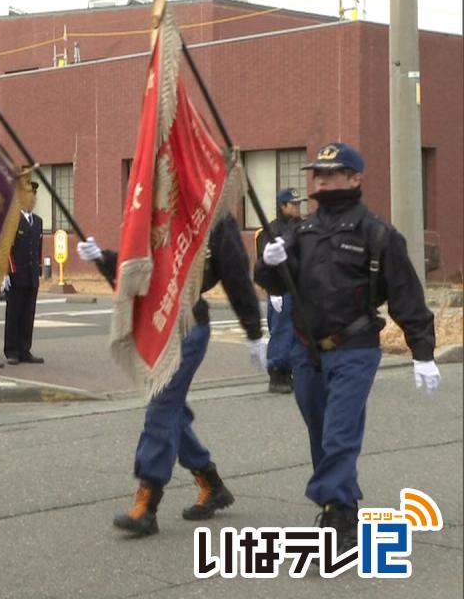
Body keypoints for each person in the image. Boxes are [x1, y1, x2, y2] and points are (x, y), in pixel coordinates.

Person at [256, 142, 438, 551]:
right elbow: (274, 283)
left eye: (332, 172)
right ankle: (344, 506)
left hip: (354, 347)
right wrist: (270, 261)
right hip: (307, 351)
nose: (321, 179)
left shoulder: (377, 233)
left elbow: (406, 295)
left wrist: (422, 351)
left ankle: (333, 513)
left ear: (355, 178)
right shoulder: (299, 232)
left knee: (339, 434)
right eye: (317, 173)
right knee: (321, 433)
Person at [78, 214, 266, 537]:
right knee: (171, 410)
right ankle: (211, 482)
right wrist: (104, 259)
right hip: (155, 325)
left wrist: (253, 331)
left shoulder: (217, 218)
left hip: (189, 327)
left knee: (161, 407)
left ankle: (147, 503)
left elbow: (236, 277)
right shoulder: (158, 207)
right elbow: (137, 268)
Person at [254, 188, 305, 394]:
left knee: (300, 332)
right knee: (282, 330)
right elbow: (264, 263)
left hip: (303, 288)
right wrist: (271, 290)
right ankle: (277, 372)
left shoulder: (304, 228)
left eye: (298, 204)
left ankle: (294, 370)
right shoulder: (269, 230)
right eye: (293, 204)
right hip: (281, 289)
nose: (297, 208)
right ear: (282, 206)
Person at [3, 176, 44, 365]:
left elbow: (38, 249)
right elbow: (6, 248)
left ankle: (24, 349)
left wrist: (39, 271)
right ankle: (11, 350)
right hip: (16, 274)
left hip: (31, 275)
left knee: (28, 314)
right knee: (14, 313)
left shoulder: (38, 221)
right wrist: (6, 272)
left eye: (34, 195)